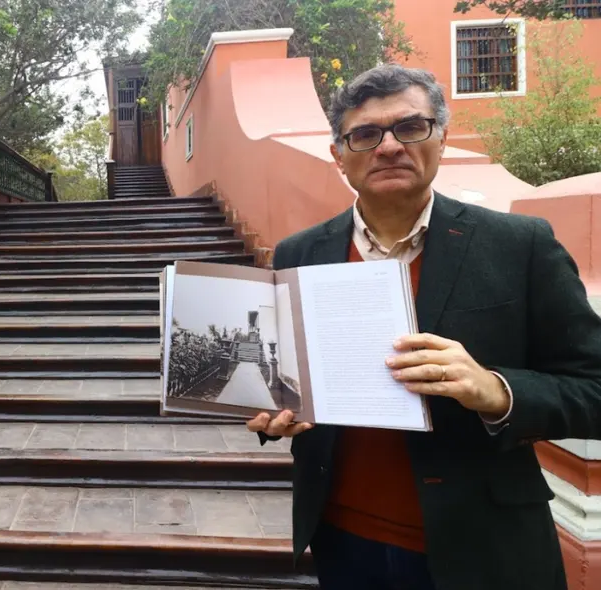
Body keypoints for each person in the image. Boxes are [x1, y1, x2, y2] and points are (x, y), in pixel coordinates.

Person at [246, 64, 601, 590]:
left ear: (441, 137)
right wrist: (276, 411)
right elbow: (292, 379)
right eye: (366, 134)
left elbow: (593, 388)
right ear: (339, 155)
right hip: (343, 538)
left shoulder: (519, 245)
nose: (389, 146)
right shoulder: (300, 253)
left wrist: (497, 391)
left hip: (485, 546)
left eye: (410, 127)